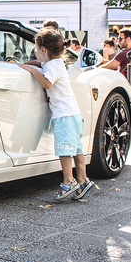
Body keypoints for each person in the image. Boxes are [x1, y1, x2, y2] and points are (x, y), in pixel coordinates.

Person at [19, 28, 94, 201]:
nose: (36, 52)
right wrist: (34, 64)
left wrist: (30, 70)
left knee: (65, 151)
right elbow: (42, 65)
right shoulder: (57, 63)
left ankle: (68, 182)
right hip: (74, 115)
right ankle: (83, 180)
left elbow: (46, 82)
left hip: (64, 117)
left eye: (36, 49)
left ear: (43, 50)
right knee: (77, 150)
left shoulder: (52, 66)